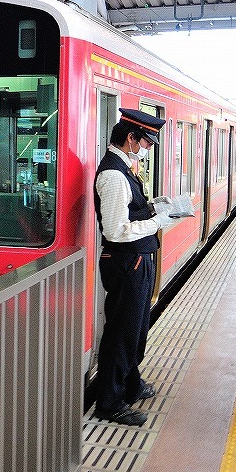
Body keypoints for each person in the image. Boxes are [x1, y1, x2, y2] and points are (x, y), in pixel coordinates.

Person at [93, 108, 172, 426]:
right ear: (131, 138)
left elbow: (129, 212)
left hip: (136, 261)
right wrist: (157, 222)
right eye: (147, 142)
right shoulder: (113, 175)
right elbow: (115, 230)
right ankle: (109, 403)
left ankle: (130, 383)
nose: (149, 148)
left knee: (136, 330)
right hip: (127, 263)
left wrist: (154, 208)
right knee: (122, 333)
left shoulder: (124, 168)